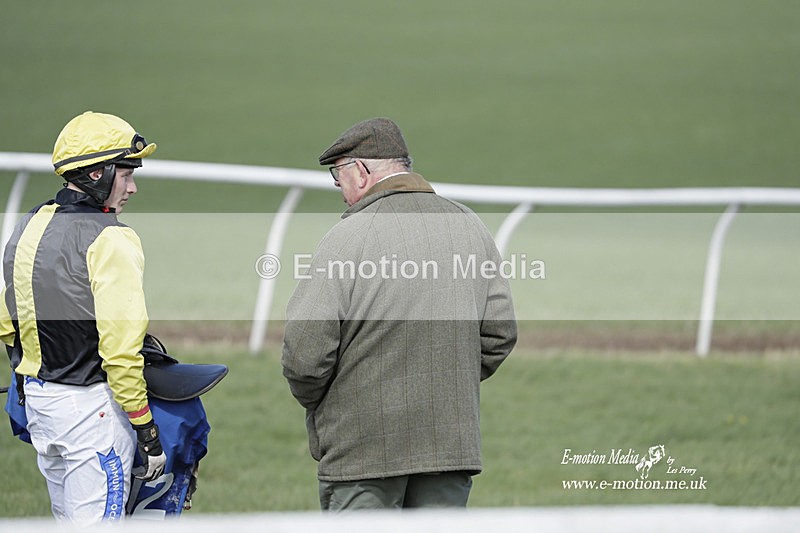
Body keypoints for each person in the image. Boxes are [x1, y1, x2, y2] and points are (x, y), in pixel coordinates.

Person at [281, 117, 517, 510]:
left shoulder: (344, 238)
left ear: (360, 170)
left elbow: (305, 355)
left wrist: (327, 402)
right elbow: (499, 335)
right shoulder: (470, 226)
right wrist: (445, 378)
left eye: (338, 178)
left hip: (362, 451)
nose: (339, 191)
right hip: (450, 445)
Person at [0, 111, 166, 524]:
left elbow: (7, 322)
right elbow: (121, 352)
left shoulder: (30, 222)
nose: (133, 187)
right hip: (92, 412)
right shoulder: (113, 238)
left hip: (40, 405)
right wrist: (147, 432)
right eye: (126, 175)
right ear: (97, 173)